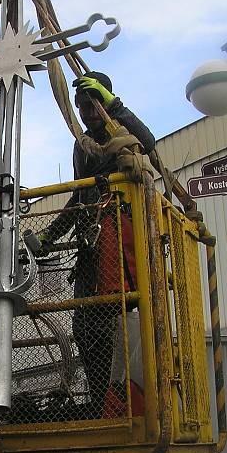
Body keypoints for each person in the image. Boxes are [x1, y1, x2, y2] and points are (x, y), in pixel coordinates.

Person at [38, 72, 156, 418]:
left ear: (104, 101)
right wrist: (50, 235)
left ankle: (118, 401)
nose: (85, 112)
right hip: (91, 244)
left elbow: (147, 143)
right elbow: (79, 196)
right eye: (80, 106)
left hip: (118, 241)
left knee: (115, 322)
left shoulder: (122, 134)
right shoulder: (84, 144)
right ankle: (100, 399)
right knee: (84, 326)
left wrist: (114, 106)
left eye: (91, 105)